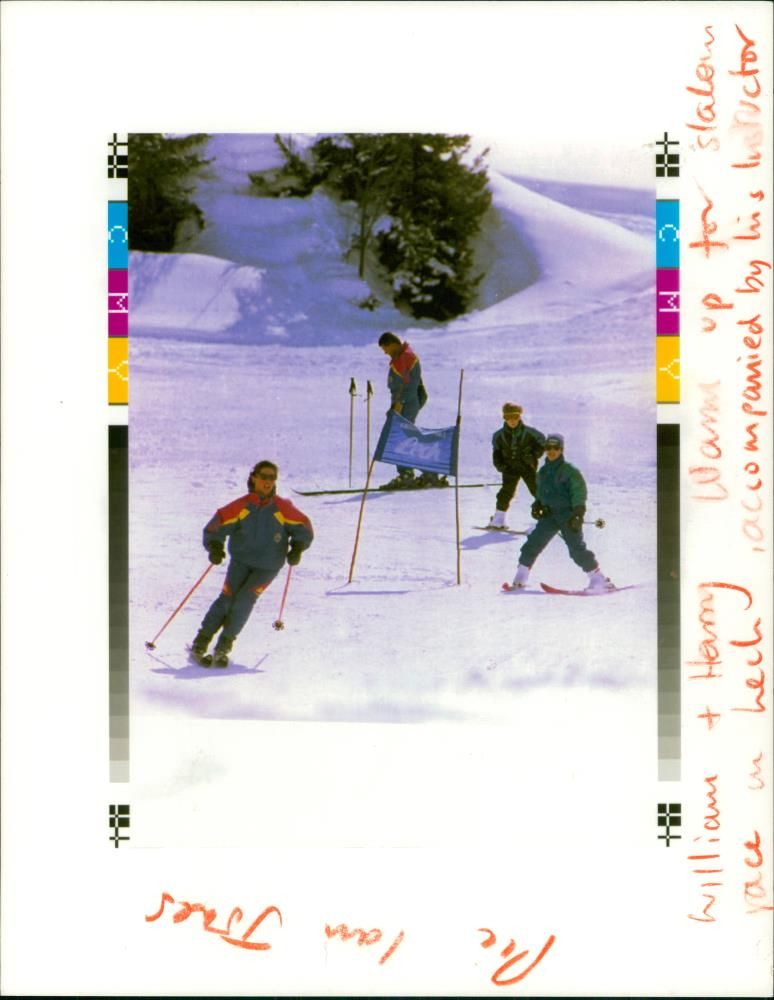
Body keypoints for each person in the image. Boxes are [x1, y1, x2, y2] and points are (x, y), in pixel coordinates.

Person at [191, 460, 314, 666]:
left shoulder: (282, 508)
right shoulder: (242, 506)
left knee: (244, 600)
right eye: (264, 476)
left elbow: (304, 527)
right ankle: (201, 641)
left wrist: (297, 548)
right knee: (227, 599)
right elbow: (217, 524)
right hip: (241, 561)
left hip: (267, 566)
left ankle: (224, 645)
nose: (267, 482)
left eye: (272, 478)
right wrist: (215, 546)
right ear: (254, 477)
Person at [510, 433, 614, 591]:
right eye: (549, 448)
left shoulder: (569, 471)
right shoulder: (543, 471)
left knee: (576, 549)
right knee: (533, 543)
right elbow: (540, 491)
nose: (552, 451)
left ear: (561, 450)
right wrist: (537, 503)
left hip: (568, 515)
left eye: (556, 448)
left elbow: (579, 491)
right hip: (549, 515)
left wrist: (578, 512)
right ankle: (520, 578)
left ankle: (599, 580)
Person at [377, 331, 443, 489]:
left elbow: (410, 385)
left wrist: (400, 403)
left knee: (402, 438)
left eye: (385, 348)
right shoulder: (400, 357)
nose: (385, 352)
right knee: (403, 437)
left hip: (407, 402)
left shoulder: (407, 357)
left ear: (392, 344)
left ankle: (408, 473)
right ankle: (426, 472)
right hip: (401, 403)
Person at [488, 402, 546, 529]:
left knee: (537, 489)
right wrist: (500, 466)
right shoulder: (498, 436)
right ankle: (498, 519)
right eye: (509, 418)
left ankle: (548, 517)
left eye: (515, 417)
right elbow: (496, 453)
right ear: (505, 418)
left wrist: (533, 456)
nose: (512, 421)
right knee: (506, 492)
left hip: (527, 467)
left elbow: (542, 445)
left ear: (519, 417)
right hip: (509, 469)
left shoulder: (531, 433)